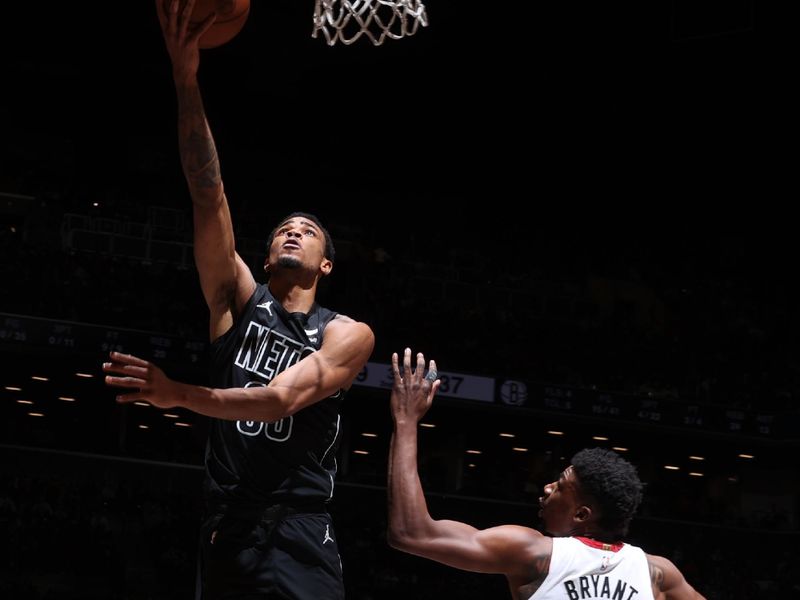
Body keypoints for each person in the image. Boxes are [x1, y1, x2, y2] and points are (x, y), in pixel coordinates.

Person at [103, 2, 375, 598]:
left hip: (300, 530)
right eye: (283, 227)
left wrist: (176, 394)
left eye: (307, 230)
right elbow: (208, 191)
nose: (293, 230)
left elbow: (280, 401)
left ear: (325, 264)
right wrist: (185, 80)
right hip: (226, 527)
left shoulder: (346, 333)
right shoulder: (234, 299)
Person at [387, 348, 706, 600]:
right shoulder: (658, 573)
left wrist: (405, 421)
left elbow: (411, 533)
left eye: (561, 486)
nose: (548, 487)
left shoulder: (534, 552)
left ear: (581, 513)